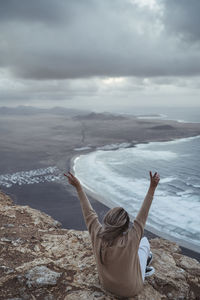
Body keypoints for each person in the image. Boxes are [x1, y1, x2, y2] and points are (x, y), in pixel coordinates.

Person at [65, 170, 160, 298]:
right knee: (144, 243)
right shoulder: (132, 238)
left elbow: (89, 214)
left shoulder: (98, 235)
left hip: (107, 286)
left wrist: (78, 187)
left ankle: (138, 266)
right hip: (131, 289)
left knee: (136, 251)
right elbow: (142, 217)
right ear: (126, 226)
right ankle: (142, 269)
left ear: (106, 221)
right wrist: (152, 188)